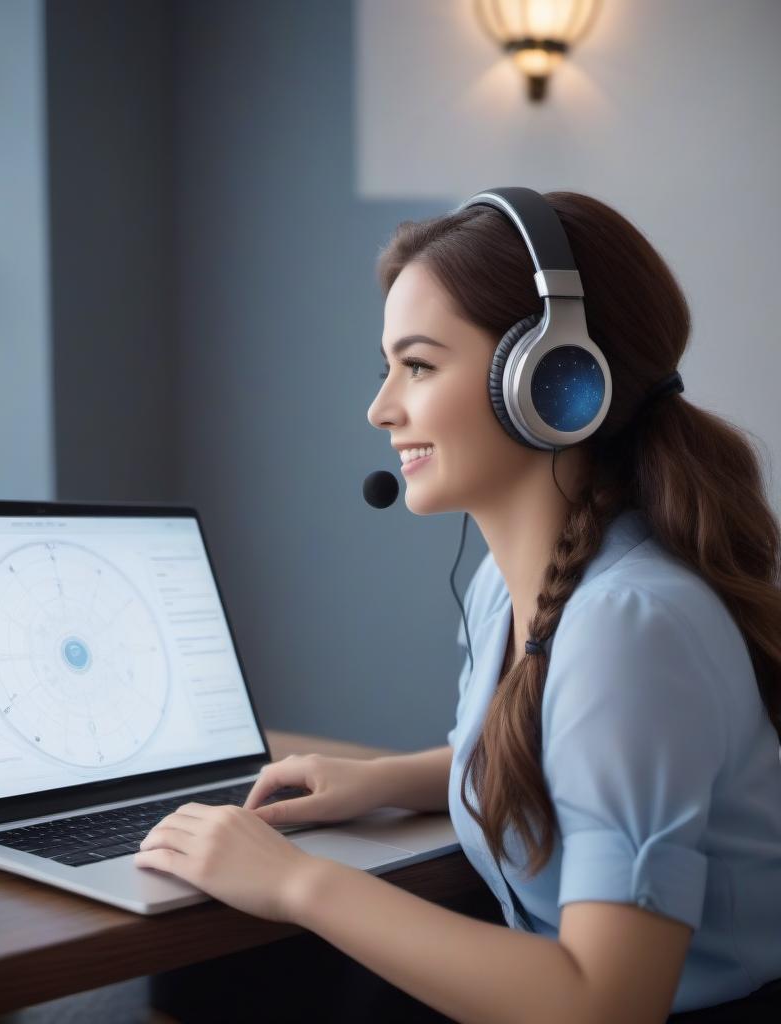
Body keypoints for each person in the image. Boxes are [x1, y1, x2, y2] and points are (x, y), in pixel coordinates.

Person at [141, 191, 781, 1022]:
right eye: (388, 369)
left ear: (553, 381)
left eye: (419, 365)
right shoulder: (507, 590)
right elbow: (565, 756)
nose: (381, 411)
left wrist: (295, 883)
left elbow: (608, 1003)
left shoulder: (630, 627)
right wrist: (378, 781)